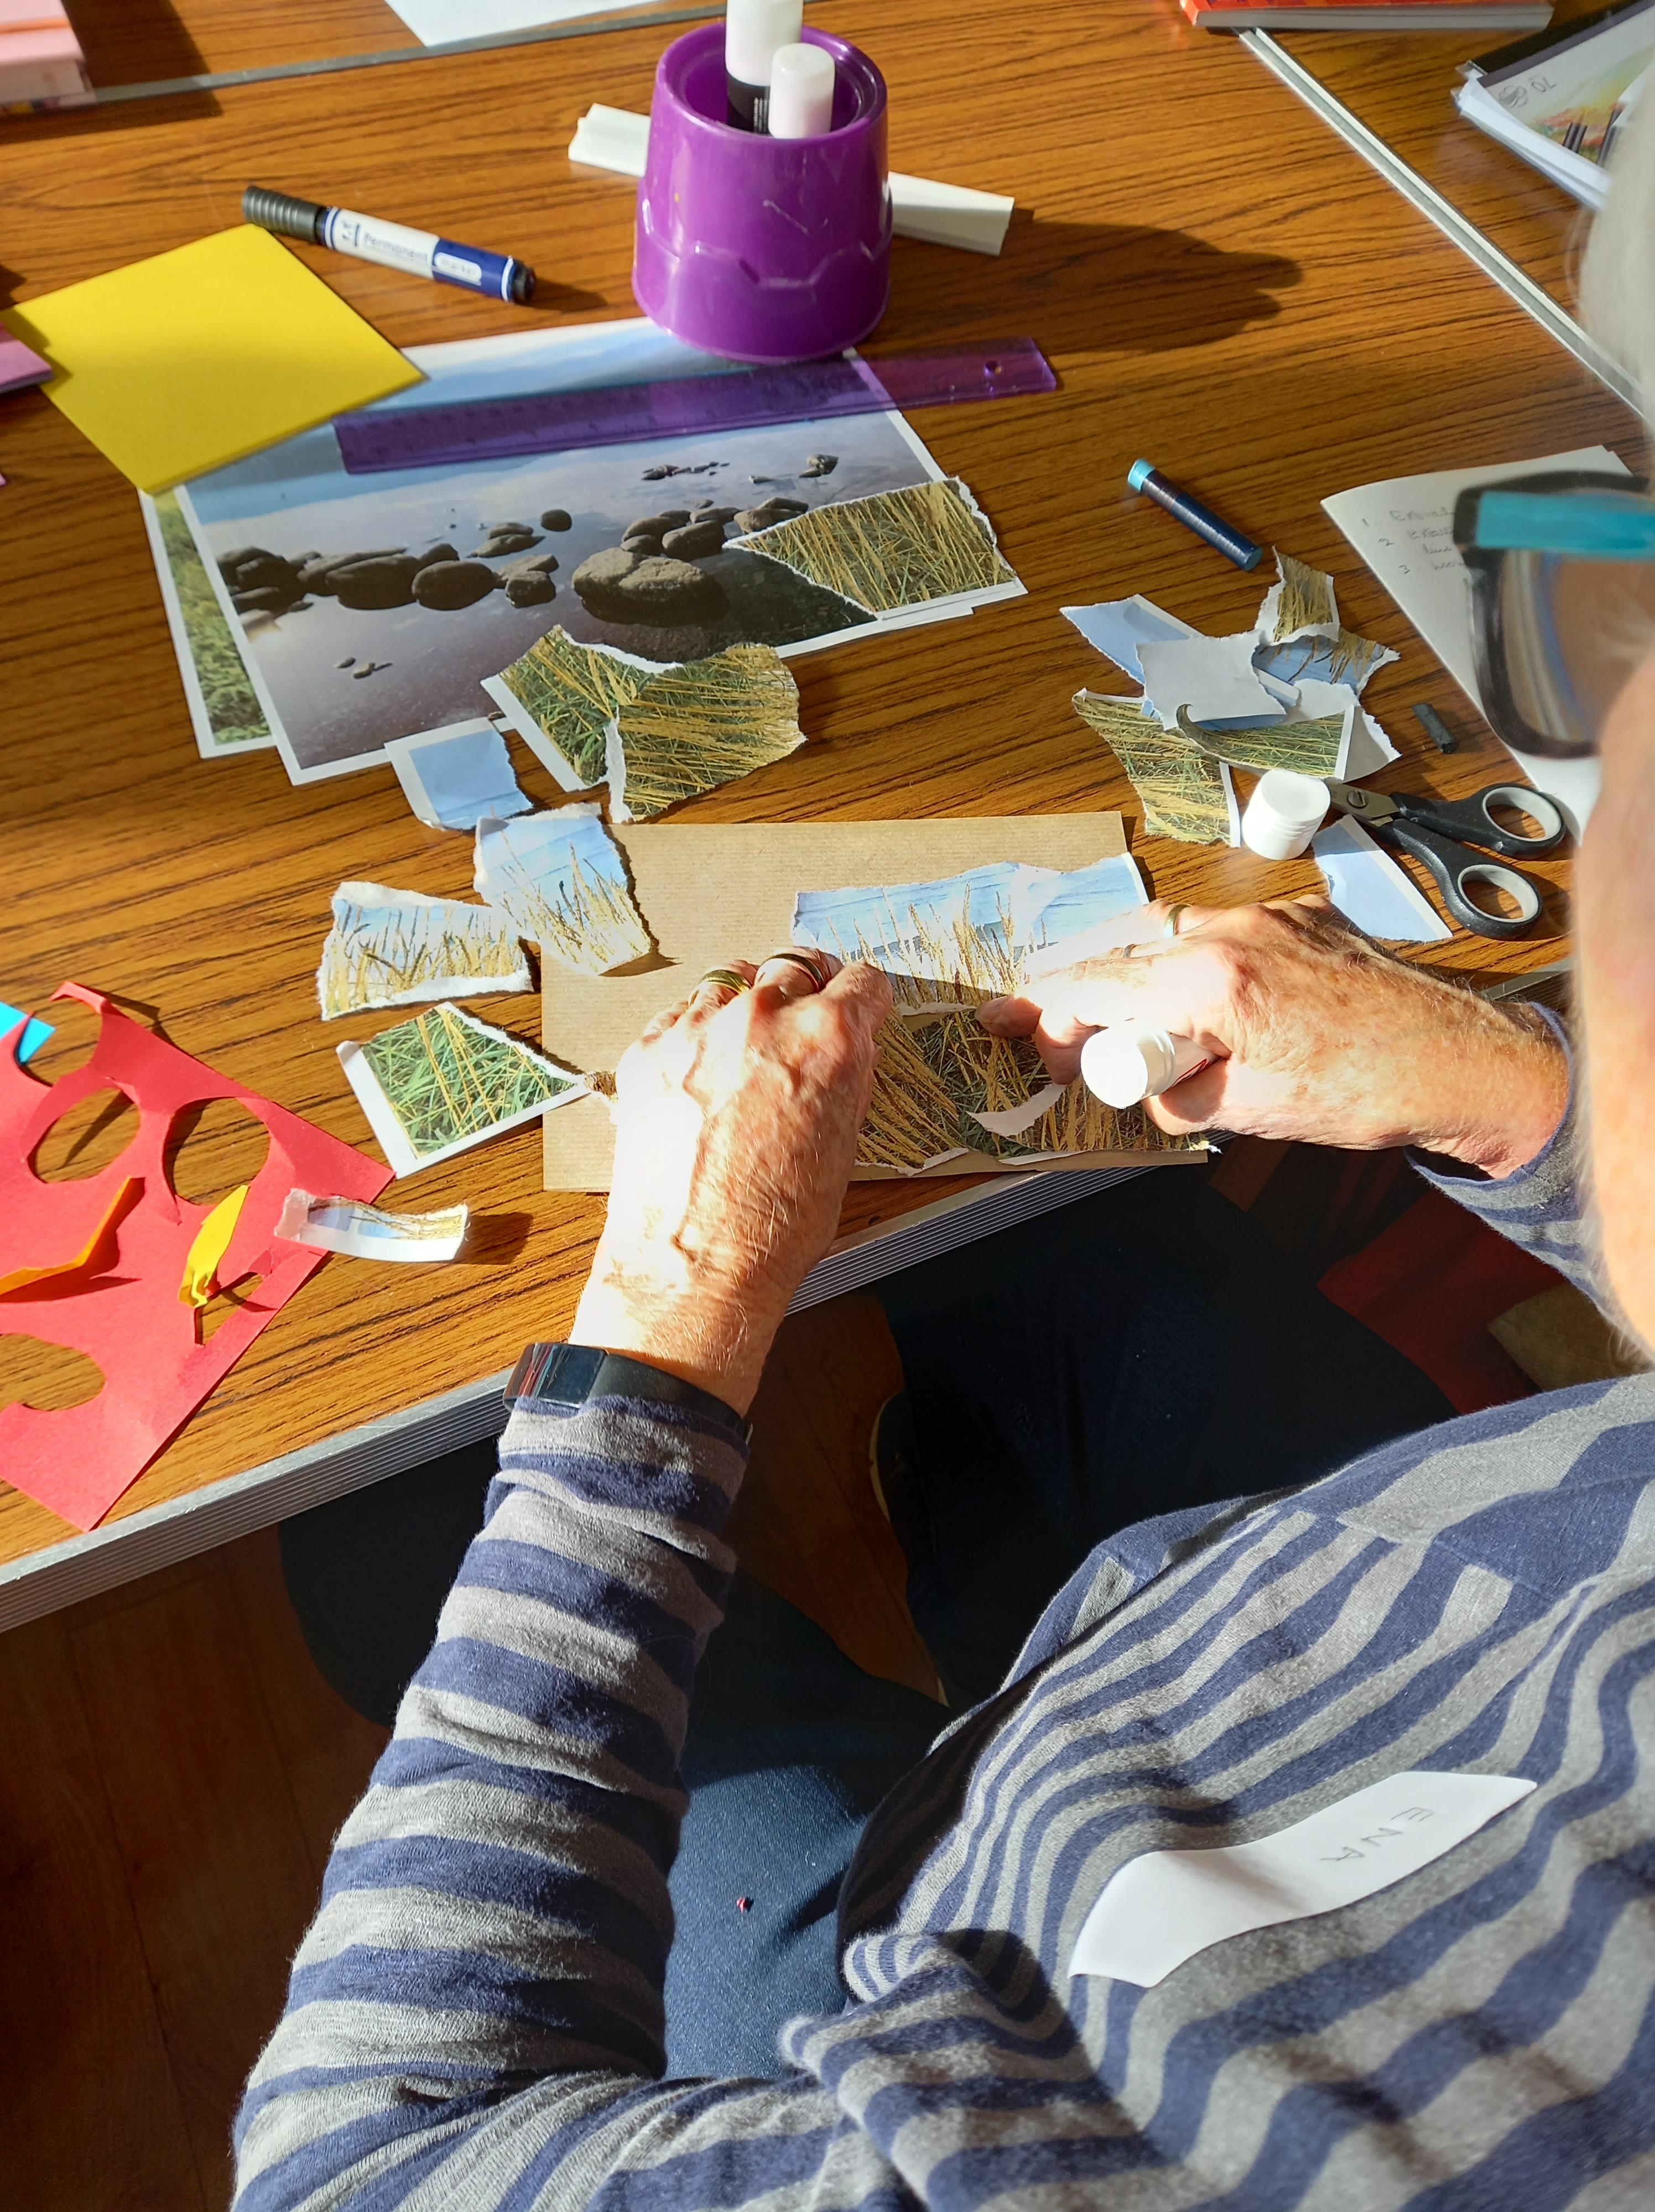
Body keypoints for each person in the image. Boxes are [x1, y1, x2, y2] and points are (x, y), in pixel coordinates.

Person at [234, 141, 1655, 2212]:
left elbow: (356, 2172)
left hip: (963, 1973)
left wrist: (677, 1312)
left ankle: (951, 1609)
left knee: (383, 1508)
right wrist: (1510, 1092)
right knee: (1094, 1233)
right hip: (1326, 1610)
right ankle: (965, 1532)